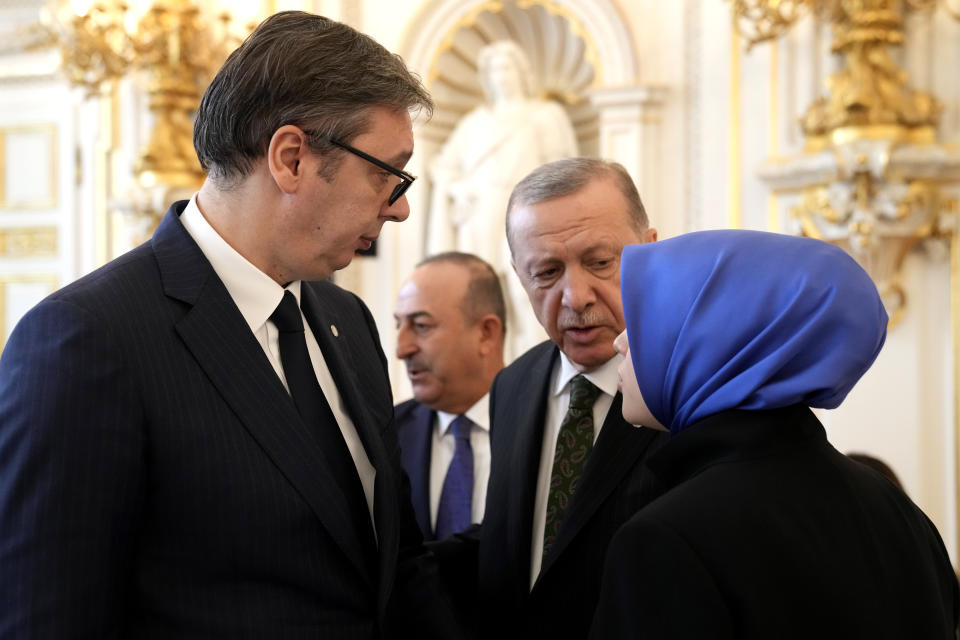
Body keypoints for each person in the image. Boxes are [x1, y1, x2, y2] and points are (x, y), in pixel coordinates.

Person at [0, 12, 461, 638]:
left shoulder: (347, 322)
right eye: (386, 173)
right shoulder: (87, 338)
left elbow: (394, 560)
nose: (401, 206)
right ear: (292, 157)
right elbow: (49, 614)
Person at [591, 229, 959, 639]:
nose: (621, 341)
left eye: (646, 320)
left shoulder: (664, 538)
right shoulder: (900, 515)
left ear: (714, 344)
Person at [431, 158, 668, 639]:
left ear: (649, 253)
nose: (575, 296)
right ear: (518, 277)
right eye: (547, 272)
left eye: (600, 262)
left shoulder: (692, 388)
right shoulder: (513, 385)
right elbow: (523, 539)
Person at [429, 40, 578, 360]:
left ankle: (538, 357)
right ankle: (486, 361)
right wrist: (459, 188)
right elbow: (442, 165)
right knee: (482, 289)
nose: (502, 75)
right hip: (483, 212)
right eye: (495, 69)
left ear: (521, 71)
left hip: (526, 211)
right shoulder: (474, 123)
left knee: (526, 286)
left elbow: (563, 168)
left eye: (507, 67)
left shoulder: (544, 115)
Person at [393, 252, 506, 540]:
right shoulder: (386, 436)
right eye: (399, 325)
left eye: (421, 326)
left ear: (486, 334)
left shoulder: (544, 424)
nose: (402, 349)